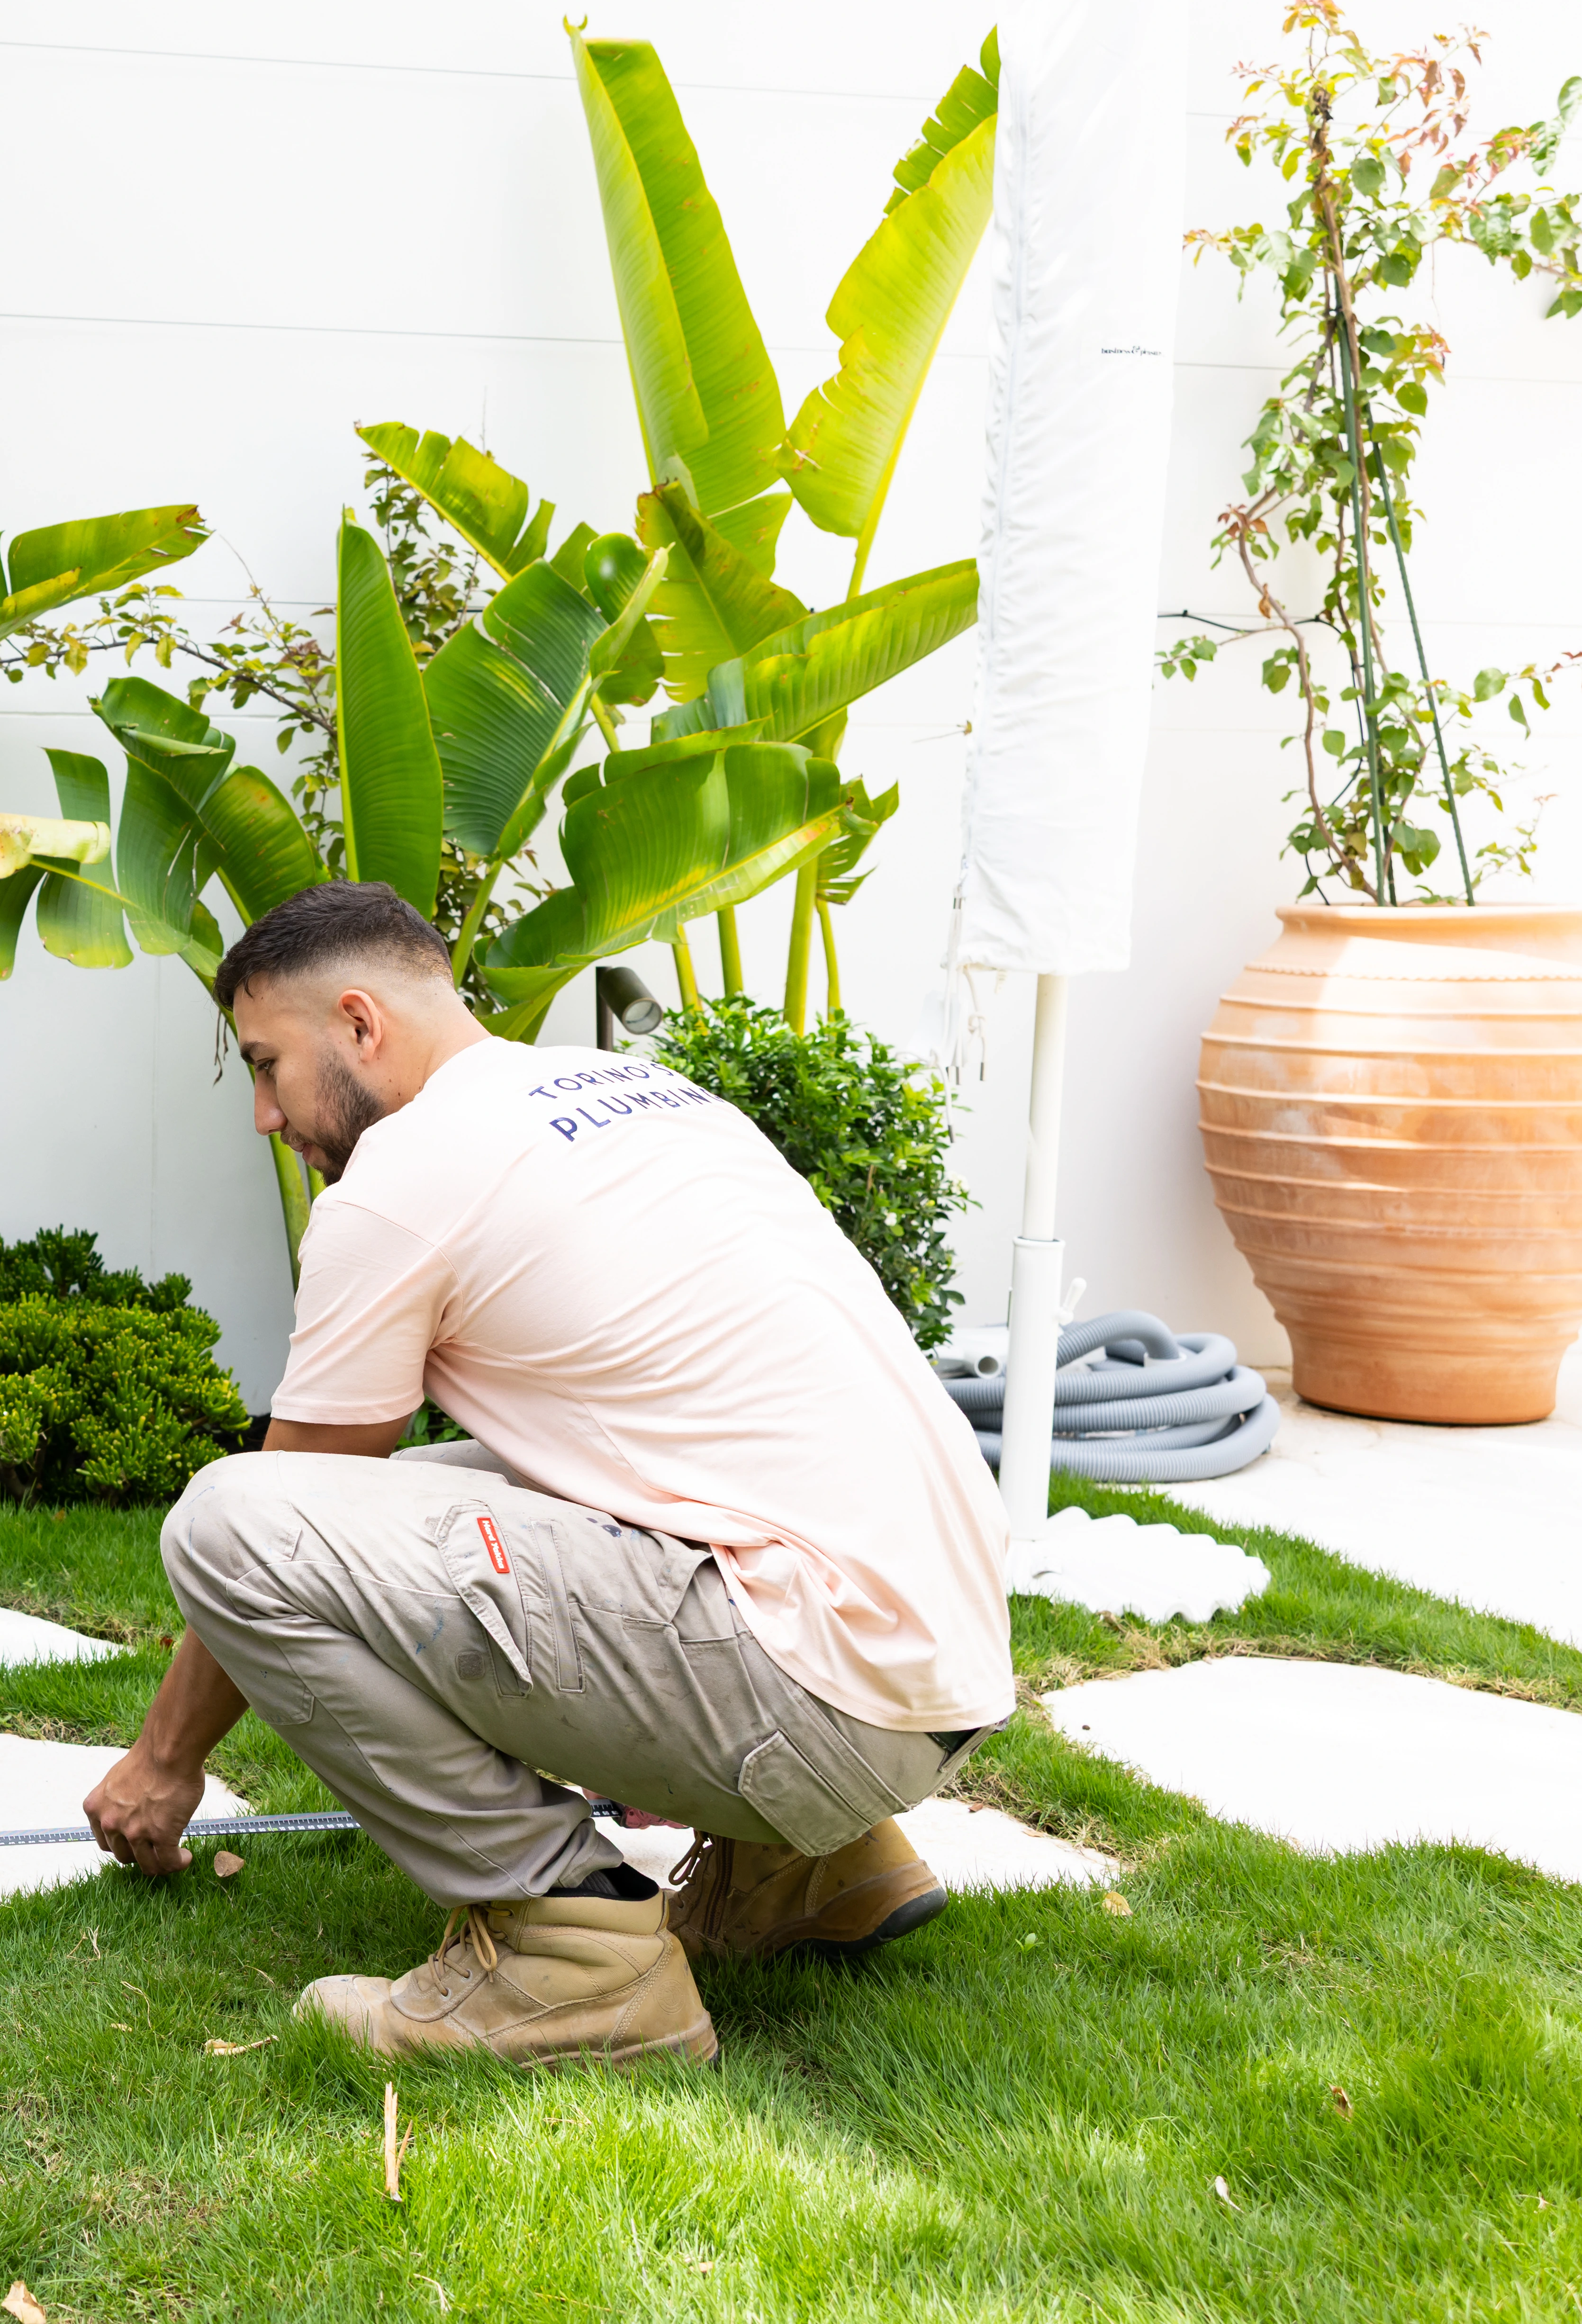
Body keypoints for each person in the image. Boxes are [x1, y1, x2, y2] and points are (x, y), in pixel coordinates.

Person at [81, 881, 1010, 2069]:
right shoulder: (648, 1098)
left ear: (358, 1024)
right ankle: (799, 1869)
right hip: (937, 1673)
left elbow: (292, 1500)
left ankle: (568, 1958)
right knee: (509, 1469)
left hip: (810, 1699)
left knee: (228, 1524)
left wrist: (164, 1762)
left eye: (267, 1066)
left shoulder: (404, 1176)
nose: (265, 1114)